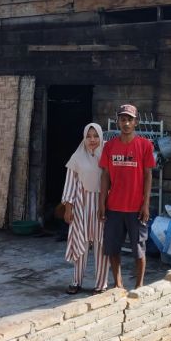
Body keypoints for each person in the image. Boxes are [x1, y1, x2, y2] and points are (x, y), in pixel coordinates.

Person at [98, 104, 156, 289]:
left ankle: (139, 287)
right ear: (118, 122)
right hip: (114, 207)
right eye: (123, 119)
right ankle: (119, 285)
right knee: (113, 249)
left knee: (139, 251)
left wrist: (145, 204)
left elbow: (148, 175)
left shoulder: (145, 145)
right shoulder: (110, 147)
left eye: (130, 119)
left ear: (136, 122)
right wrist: (102, 203)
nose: (126, 123)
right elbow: (105, 175)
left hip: (136, 208)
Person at [62, 123, 110, 294]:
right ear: (84, 137)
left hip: (101, 205)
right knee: (80, 243)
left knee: (101, 244)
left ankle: (101, 285)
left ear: (101, 137)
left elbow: (112, 181)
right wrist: (69, 208)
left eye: (95, 136)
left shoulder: (107, 154)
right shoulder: (78, 156)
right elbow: (70, 183)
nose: (92, 140)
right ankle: (76, 281)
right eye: (88, 136)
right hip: (81, 204)